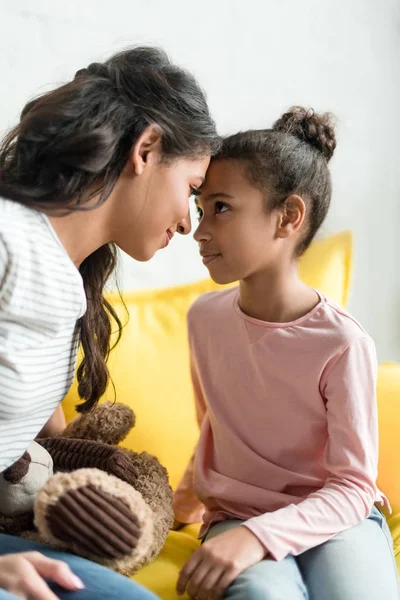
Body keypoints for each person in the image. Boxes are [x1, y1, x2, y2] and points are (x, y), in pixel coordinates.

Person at [0, 46, 219, 600]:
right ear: (146, 149)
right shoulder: (7, 240)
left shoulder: (66, 278)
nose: (188, 224)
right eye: (192, 191)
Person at [173, 107, 399, 600]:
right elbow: (216, 428)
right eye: (200, 209)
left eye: (221, 208)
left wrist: (261, 537)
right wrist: (174, 514)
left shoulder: (342, 342)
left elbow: (353, 486)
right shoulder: (203, 320)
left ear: (288, 217)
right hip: (235, 517)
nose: (200, 229)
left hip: (339, 519)